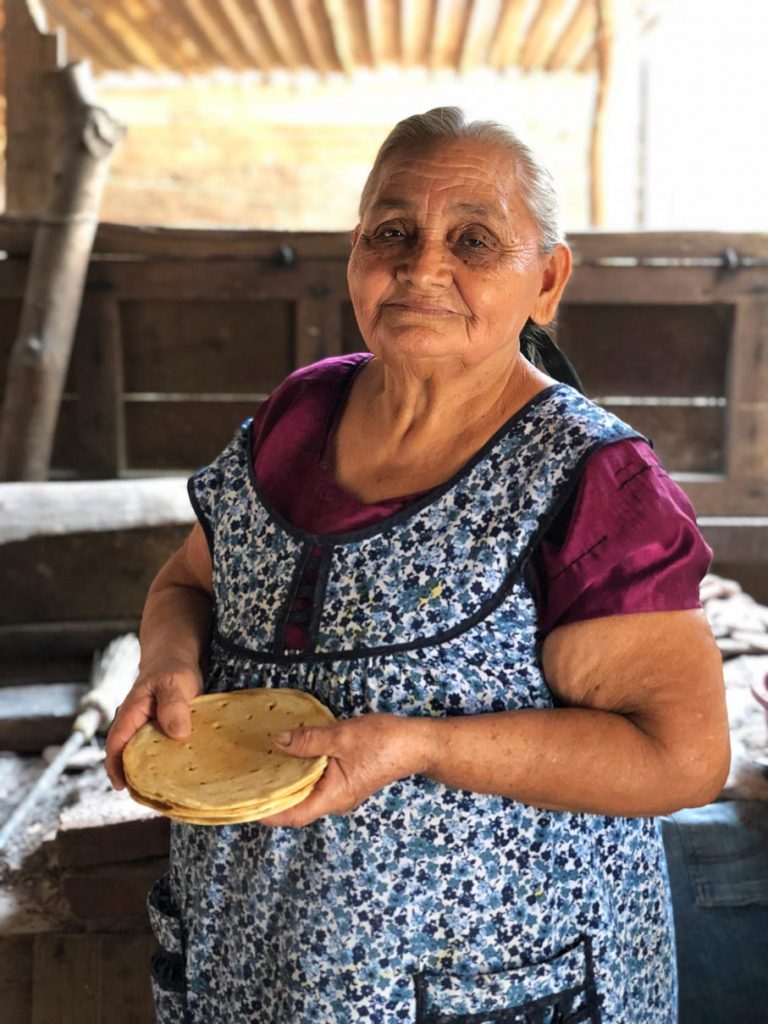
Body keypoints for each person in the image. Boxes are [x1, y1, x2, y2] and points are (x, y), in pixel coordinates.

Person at [106, 107, 729, 1023]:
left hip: (490, 982)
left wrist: (423, 746)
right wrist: (168, 669)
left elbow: (683, 758)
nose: (421, 264)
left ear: (546, 280)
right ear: (356, 253)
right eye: (391, 231)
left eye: (473, 239)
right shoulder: (300, 413)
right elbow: (188, 584)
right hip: (255, 962)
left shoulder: (590, 479)